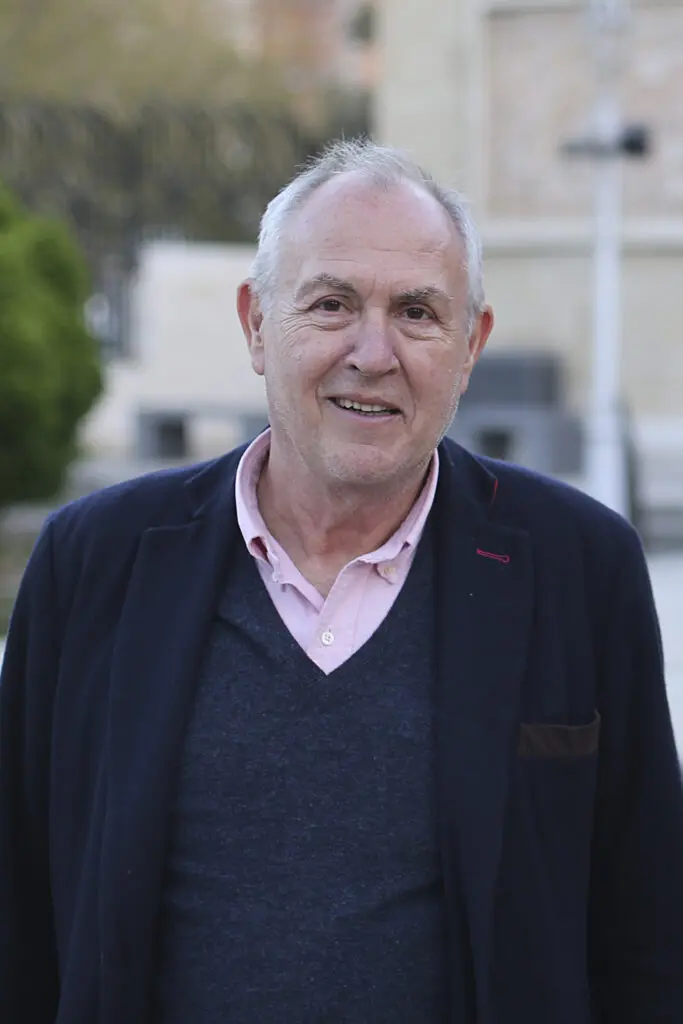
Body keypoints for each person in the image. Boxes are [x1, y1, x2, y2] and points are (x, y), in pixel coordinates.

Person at [1, 139, 682, 1024]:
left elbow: (647, 931)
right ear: (255, 323)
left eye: (417, 312)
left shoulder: (579, 568)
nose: (373, 352)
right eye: (330, 304)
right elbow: (18, 907)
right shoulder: (95, 562)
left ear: (469, 346)